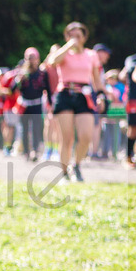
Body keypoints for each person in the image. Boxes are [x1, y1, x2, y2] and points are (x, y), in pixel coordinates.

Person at [45, 22, 106, 181]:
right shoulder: (62, 52)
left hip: (83, 96)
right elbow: (52, 62)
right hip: (65, 94)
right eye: (71, 35)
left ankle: (76, 164)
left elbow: (96, 79)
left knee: (86, 136)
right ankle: (64, 172)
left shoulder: (91, 55)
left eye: (78, 36)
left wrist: (101, 95)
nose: (75, 39)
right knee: (67, 137)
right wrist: (69, 46)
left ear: (84, 37)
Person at [11, 47, 51, 161]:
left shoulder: (42, 74)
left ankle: (35, 151)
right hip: (24, 105)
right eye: (29, 58)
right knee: (24, 128)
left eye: (33, 58)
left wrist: (51, 103)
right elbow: (12, 89)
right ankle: (26, 152)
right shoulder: (21, 73)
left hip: (37, 104)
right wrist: (19, 80)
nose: (31, 60)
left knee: (36, 128)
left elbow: (48, 89)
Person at [123, 41, 136, 167]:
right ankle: (128, 157)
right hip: (134, 99)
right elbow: (133, 76)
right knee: (133, 129)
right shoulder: (132, 60)